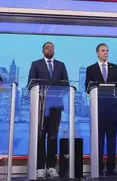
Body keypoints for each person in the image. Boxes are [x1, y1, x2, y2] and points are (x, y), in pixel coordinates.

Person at [27, 42, 69, 179]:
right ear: (42, 50)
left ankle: (51, 166)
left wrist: (58, 93)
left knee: (53, 136)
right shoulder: (36, 64)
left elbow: (66, 84)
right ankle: (40, 166)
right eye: (47, 47)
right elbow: (31, 83)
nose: (50, 49)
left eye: (52, 47)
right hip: (41, 105)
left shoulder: (60, 65)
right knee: (40, 136)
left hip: (56, 106)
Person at [85, 43, 117, 176]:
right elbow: (87, 88)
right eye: (103, 51)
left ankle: (111, 168)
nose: (105, 53)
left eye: (107, 50)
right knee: (99, 138)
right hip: (98, 107)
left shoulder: (115, 68)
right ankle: (98, 167)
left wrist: (112, 90)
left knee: (112, 138)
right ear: (97, 53)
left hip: (112, 107)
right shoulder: (91, 69)